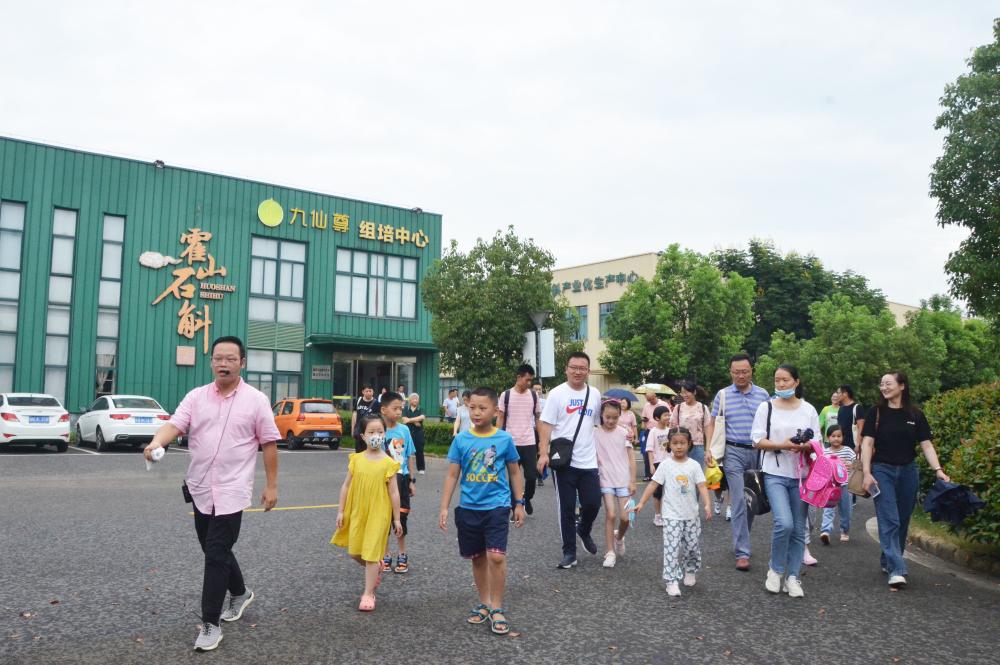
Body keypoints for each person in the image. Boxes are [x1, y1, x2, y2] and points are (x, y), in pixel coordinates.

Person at [143, 336, 280, 652]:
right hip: (200, 488)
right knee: (213, 549)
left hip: (232, 490)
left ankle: (210, 624)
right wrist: (156, 443)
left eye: (231, 359)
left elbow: (269, 444)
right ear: (211, 362)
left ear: (242, 363)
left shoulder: (256, 400)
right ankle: (240, 593)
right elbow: (174, 425)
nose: (224, 364)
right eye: (219, 358)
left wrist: (272, 486)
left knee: (216, 553)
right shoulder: (196, 397)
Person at [439, 387, 525, 635]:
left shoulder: (504, 439)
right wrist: (444, 506)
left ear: (495, 410)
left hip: (497, 506)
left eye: (482, 408)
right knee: (477, 558)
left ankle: (497, 607)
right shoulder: (461, 440)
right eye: (472, 407)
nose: (476, 413)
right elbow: (452, 475)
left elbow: (514, 471)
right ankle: (485, 603)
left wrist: (519, 503)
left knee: (496, 557)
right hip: (469, 507)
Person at [861, 371, 950, 589]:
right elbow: (867, 443)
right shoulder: (876, 412)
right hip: (882, 470)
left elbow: (926, 444)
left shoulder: (915, 414)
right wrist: (866, 472)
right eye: (882, 384)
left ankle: (888, 559)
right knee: (889, 519)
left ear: (902, 386)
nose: (884, 387)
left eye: (888, 384)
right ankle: (897, 569)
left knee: (902, 520)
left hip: (909, 471)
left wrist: (938, 469)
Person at [751, 364, 819, 598]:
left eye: (785, 380)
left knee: (799, 529)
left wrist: (804, 445)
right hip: (774, 473)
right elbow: (757, 440)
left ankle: (793, 577)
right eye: (777, 380)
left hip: (801, 476)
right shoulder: (766, 407)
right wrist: (783, 445)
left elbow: (817, 442)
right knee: (784, 523)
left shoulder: (809, 409)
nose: (780, 384)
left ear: (796, 382)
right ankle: (775, 570)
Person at [536, 352, 603, 569]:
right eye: (573, 367)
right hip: (564, 461)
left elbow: (597, 425)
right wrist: (543, 453)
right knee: (566, 508)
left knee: (593, 503)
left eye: (582, 368)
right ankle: (569, 552)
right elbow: (546, 424)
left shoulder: (594, 394)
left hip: (589, 460)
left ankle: (583, 529)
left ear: (588, 371)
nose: (577, 372)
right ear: (566, 369)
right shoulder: (557, 394)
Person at [331, 413, 403, 611]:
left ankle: (368, 594)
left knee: (371, 553)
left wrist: (397, 519)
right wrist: (341, 511)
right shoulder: (356, 460)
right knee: (355, 552)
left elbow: (394, 492)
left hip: (379, 514)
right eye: (371, 432)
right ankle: (375, 567)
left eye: (379, 431)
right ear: (363, 436)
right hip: (358, 511)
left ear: (385, 434)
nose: (375, 435)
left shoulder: (389, 463)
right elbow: (346, 486)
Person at [705, 353, 770, 571]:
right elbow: (712, 422)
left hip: (757, 452)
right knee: (739, 499)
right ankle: (742, 552)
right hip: (732, 451)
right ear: (730, 372)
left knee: (752, 498)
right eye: (736, 372)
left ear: (751, 371)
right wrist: (709, 448)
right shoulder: (723, 395)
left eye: (744, 372)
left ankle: (741, 538)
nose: (740, 376)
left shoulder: (763, 394)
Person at [630, 428, 711, 596]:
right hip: (671, 515)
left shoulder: (694, 465)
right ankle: (671, 581)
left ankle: (690, 569)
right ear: (669, 445)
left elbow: (702, 486)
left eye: (682, 443)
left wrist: (707, 504)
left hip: (691, 515)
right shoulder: (665, 465)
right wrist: (641, 502)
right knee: (671, 549)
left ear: (689, 444)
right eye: (675, 443)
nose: (679, 446)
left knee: (692, 547)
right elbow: (653, 484)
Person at [594, 399, 636, 568]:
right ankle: (610, 552)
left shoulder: (624, 433)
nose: (611, 421)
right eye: (607, 417)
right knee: (610, 514)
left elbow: (631, 457)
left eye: (615, 417)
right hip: (605, 479)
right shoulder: (594, 432)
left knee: (626, 518)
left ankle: (619, 537)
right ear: (601, 415)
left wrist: (633, 481)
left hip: (624, 479)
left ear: (620, 416)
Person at [379, 392, 417, 574]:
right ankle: (385, 554)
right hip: (382, 481)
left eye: (401, 408)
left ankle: (402, 554)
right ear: (383, 410)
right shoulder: (378, 430)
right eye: (395, 408)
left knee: (401, 518)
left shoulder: (405, 430)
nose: (399, 412)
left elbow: (409, 455)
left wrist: (411, 480)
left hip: (401, 479)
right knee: (384, 519)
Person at [497, 364, 541, 516]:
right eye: (527, 380)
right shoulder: (506, 395)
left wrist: (542, 442)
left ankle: (527, 498)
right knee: (513, 478)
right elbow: (500, 417)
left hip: (529, 442)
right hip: (511, 443)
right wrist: (496, 439)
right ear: (518, 377)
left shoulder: (534, 396)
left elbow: (538, 419)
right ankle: (515, 507)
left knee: (531, 477)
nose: (529, 383)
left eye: (531, 380)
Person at [819, 425, 855, 544]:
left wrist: (851, 464)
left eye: (839, 436)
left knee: (846, 510)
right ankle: (825, 531)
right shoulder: (825, 452)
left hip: (845, 485)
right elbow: (821, 467)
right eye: (833, 436)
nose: (836, 438)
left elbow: (856, 464)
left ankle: (845, 530)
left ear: (843, 437)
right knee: (828, 509)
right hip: (830, 486)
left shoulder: (848, 450)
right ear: (828, 438)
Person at [670, 380, 710, 468]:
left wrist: (708, 450)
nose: (684, 395)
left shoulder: (703, 408)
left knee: (698, 472)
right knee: (681, 472)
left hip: (698, 447)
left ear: (694, 392)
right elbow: (672, 428)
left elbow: (708, 430)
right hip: (681, 446)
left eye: (687, 392)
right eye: (682, 392)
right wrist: (673, 445)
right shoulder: (678, 408)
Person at [645, 405, 673, 526]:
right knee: (658, 492)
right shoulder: (653, 431)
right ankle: (657, 516)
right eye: (665, 415)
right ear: (657, 418)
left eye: (668, 415)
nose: (668, 417)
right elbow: (650, 450)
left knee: (670, 490)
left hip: (671, 463)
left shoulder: (670, 431)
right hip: (658, 463)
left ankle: (669, 514)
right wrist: (651, 465)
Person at [639, 390, 670, 481]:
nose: (650, 401)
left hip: (669, 461)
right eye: (648, 400)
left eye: (651, 399)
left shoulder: (664, 404)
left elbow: (670, 416)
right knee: (648, 453)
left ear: (655, 396)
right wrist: (644, 427)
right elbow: (644, 418)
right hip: (650, 430)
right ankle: (648, 474)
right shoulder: (646, 406)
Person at [402, 393, 426, 475]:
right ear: (410, 400)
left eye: (416, 399)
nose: (415, 400)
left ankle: (421, 468)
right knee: (405, 451)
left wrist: (409, 420)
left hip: (418, 432)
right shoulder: (405, 408)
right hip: (407, 433)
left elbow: (422, 417)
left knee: (419, 451)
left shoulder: (420, 408)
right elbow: (404, 420)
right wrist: (415, 421)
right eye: (413, 398)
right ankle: (405, 468)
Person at [836, 385, 865, 450]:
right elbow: (839, 426)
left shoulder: (857, 408)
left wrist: (858, 444)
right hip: (841, 445)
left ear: (845, 394)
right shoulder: (841, 408)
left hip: (853, 445)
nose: (837, 395)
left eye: (838, 393)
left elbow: (861, 427)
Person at [353, 386, 379, 453]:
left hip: (370, 432)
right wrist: (353, 429)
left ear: (373, 392)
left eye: (370, 391)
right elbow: (354, 415)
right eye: (367, 391)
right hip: (359, 431)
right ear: (363, 392)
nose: (369, 393)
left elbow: (378, 419)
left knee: (369, 451)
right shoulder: (359, 400)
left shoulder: (376, 403)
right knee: (358, 451)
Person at [533, 383, 548, 487]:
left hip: (541, 431)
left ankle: (540, 476)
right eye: (535, 389)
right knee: (531, 454)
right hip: (531, 430)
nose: (538, 391)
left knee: (540, 452)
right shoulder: (529, 401)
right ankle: (531, 476)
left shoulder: (545, 402)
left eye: (539, 389)